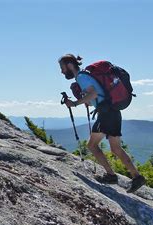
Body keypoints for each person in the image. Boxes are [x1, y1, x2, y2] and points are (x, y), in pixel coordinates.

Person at [58, 54, 146, 193]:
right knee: (116, 149)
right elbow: (94, 96)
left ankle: (111, 175)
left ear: (69, 65)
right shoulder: (85, 76)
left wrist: (74, 103)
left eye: (62, 68)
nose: (62, 71)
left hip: (106, 114)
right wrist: (85, 101)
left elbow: (92, 94)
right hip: (113, 111)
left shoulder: (81, 77)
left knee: (92, 145)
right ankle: (137, 177)